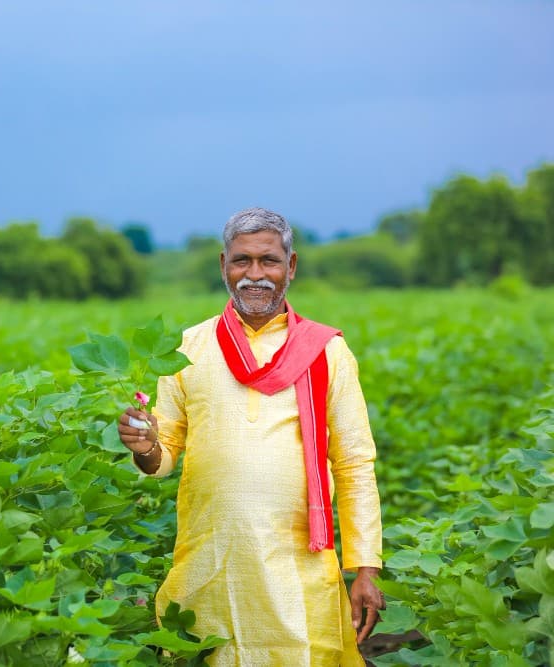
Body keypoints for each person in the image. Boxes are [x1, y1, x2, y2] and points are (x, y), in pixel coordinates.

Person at [118, 207, 383, 666]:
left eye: (268, 261)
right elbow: (163, 458)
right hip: (211, 561)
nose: (254, 274)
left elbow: (354, 462)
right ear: (223, 266)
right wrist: (145, 449)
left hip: (299, 566)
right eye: (241, 261)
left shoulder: (326, 352)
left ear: (291, 266)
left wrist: (365, 568)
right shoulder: (186, 350)